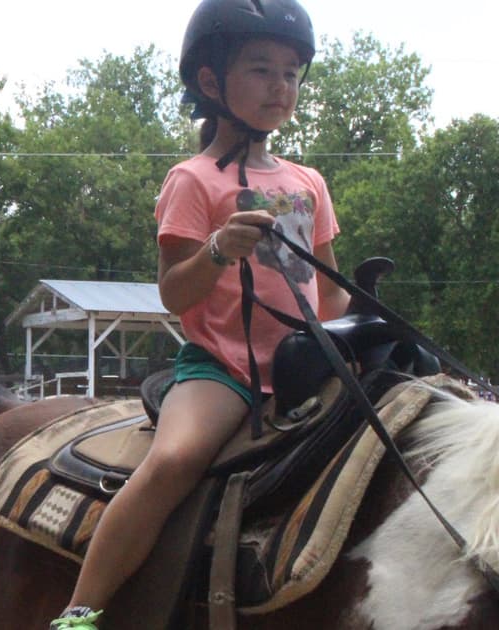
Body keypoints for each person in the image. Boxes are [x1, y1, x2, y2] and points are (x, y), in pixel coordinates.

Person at [50, 1, 350, 627]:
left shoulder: (309, 182)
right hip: (223, 370)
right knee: (175, 461)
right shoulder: (191, 181)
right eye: (262, 69)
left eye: (292, 72)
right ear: (211, 82)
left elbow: (329, 295)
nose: (281, 86)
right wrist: (218, 251)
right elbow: (174, 294)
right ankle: (79, 612)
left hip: (308, 364)